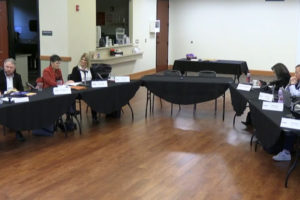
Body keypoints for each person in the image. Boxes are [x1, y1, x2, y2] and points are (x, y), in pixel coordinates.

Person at [272, 64, 300, 161]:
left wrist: (292, 85)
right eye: (295, 72)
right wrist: (289, 84)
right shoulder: (297, 82)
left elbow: (296, 94)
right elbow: (287, 91)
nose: (295, 74)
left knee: (291, 125)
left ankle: (286, 152)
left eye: (297, 72)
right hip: (296, 110)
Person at [0, 58, 25, 141]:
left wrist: (16, 91)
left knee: (20, 108)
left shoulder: (18, 76)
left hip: (14, 98)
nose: (9, 69)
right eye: (7, 67)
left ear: (14, 68)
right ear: (3, 66)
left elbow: (21, 90)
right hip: (2, 99)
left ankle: (18, 131)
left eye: (11, 67)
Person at [70, 53, 98, 122]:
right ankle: (94, 116)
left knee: (96, 95)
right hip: (80, 91)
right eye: (82, 59)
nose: (83, 61)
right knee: (93, 96)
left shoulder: (90, 69)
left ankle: (95, 116)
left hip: (90, 89)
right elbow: (75, 82)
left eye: (85, 60)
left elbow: (95, 79)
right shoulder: (76, 69)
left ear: (88, 62)